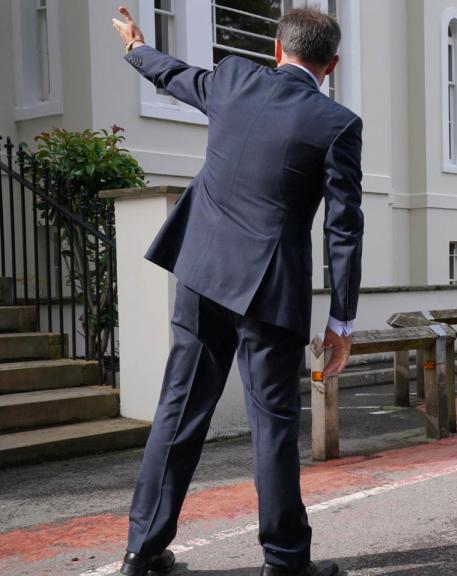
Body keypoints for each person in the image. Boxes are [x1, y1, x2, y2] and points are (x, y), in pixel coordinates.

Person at [112, 7, 361, 576]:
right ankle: (285, 560)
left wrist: (136, 49)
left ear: (278, 50)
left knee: (178, 410)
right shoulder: (337, 123)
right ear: (333, 64)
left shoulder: (232, 79)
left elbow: (175, 75)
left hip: (201, 275)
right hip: (271, 293)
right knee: (272, 426)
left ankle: (141, 552)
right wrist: (341, 320)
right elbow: (344, 229)